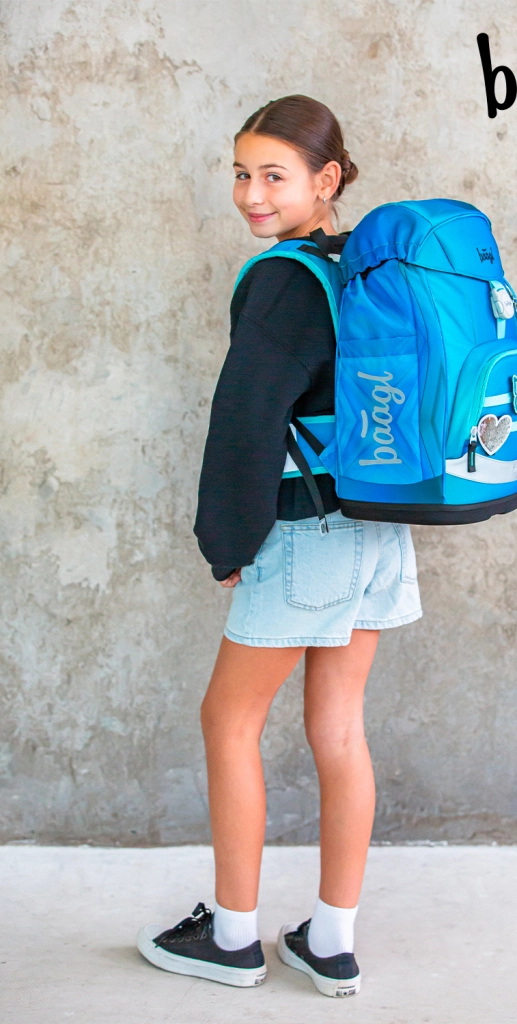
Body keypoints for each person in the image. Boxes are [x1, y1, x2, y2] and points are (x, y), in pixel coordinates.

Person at [137, 94, 422, 998]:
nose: (252, 195)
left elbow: (247, 420)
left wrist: (225, 538)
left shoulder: (284, 280)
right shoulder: (363, 269)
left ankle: (230, 938)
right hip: (378, 527)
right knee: (338, 728)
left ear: (325, 179)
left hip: (303, 535)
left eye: (273, 175)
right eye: (240, 174)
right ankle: (329, 943)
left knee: (228, 721)